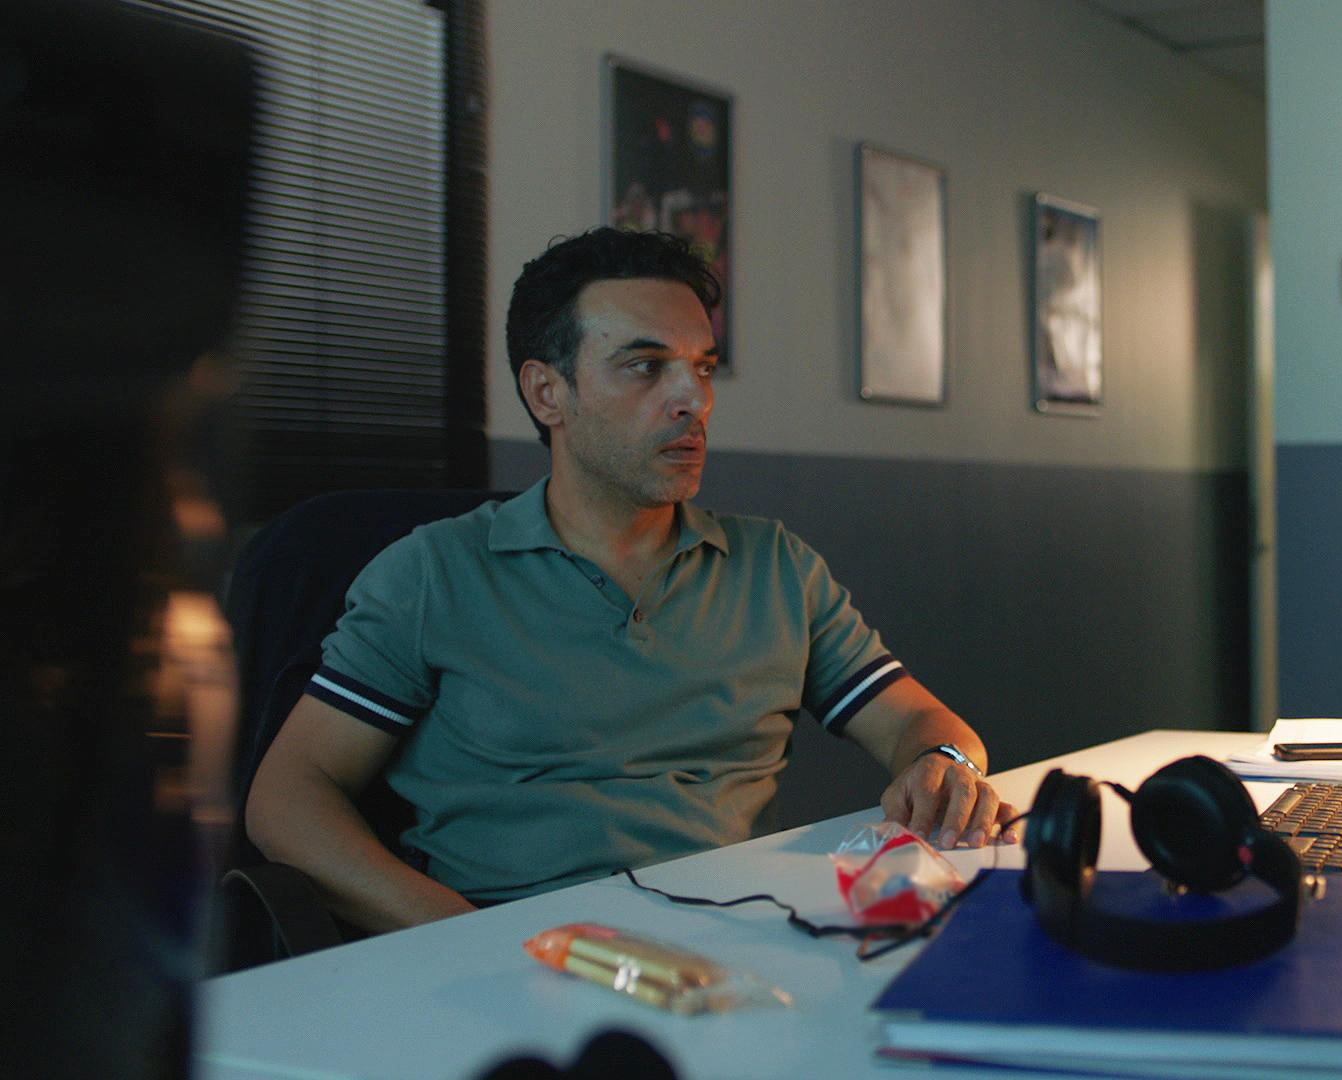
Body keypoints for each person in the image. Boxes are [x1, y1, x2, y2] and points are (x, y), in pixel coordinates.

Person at [245, 227, 1016, 932]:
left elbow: (926, 726)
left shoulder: (775, 568)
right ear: (547, 393)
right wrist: (463, 936)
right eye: (647, 367)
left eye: (702, 368)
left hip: (741, 943)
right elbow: (286, 797)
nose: (694, 400)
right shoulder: (433, 573)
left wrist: (944, 765)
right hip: (518, 958)